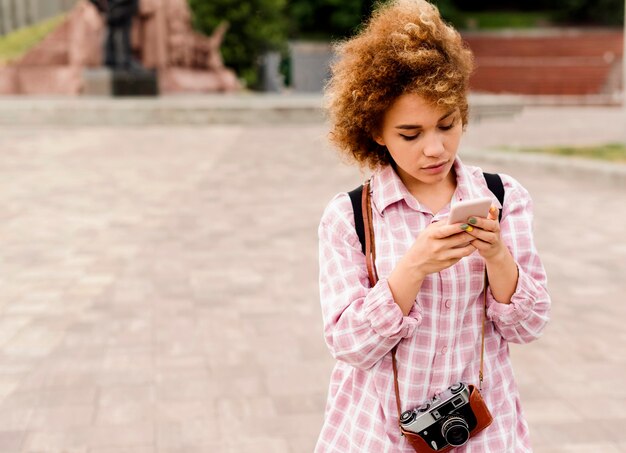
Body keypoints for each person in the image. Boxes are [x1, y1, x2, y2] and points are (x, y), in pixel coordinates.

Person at [316, 0, 551, 451]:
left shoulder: (504, 197)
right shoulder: (348, 216)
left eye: (447, 125)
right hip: (377, 434)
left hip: (483, 433)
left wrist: (497, 256)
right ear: (376, 132)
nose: (434, 149)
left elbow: (528, 326)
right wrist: (412, 269)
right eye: (411, 133)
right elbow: (348, 344)